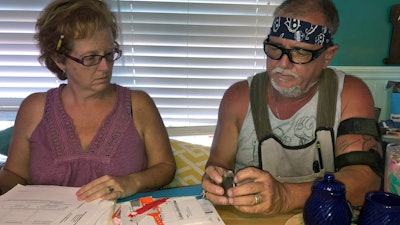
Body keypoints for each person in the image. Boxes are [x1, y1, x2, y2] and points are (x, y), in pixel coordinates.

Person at [201, 0, 383, 215]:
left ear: (327, 56)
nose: (283, 64)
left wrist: (286, 196)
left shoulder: (350, 93)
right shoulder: (237, 97)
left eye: (301, 53)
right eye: (274, 48)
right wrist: (215, 182)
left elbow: (366, 181)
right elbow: (218, 166)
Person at [0, 0, 176, 201]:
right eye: (91, 58)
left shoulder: (138, 104)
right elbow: (15, 175)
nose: (105, 67)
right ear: (60, 60)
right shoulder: (34, 108)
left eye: (109, 54)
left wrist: (132, 182)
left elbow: (165, 168)